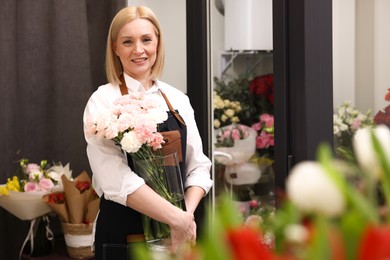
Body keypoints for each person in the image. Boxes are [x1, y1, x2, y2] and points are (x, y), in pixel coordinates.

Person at [83, 5, 213, 260]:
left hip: (181, 236)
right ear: (115, 48)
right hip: (126, 235)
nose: (138, 50)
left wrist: (184, 217)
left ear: (158, 43)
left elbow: (199, 167)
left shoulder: (177, 99)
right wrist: (174, 217)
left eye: (146, 39)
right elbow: (114, 179)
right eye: (128, 41)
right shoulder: (102, 100)